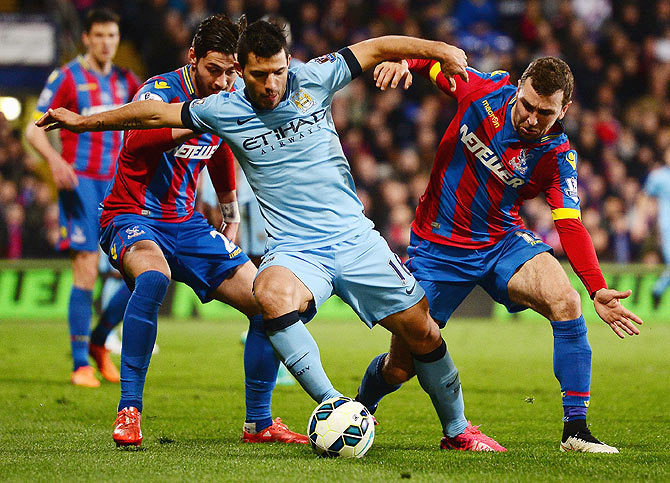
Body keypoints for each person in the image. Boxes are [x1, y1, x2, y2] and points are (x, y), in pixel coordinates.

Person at [37, 19, 509, 452]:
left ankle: (458, 430)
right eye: (259, 75)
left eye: (278, 72)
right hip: (286, 247)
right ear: (242, 71)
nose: (270, 85)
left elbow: (379, 46)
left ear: (288, 63)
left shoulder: (314, 77)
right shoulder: (220, 107)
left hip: (355, 239)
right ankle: (331, 406)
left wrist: (439, 50)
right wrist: (83, 121)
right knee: (268, 294)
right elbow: (150, 117)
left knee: (422, 331)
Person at [44, 14, 308, 448]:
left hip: (185, 222)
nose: (224, 82)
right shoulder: (161, 90)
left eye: (232, 72)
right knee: (153, 278)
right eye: (213, 70)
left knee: (268, 302)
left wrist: (229, 207)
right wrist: (203, 120)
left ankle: (258, 424)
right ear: (192, 59)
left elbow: (221, 148)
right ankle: (128, 411)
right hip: (130, 214)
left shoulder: (231, 96)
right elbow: (139, 140)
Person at [368, 56, 644, 453]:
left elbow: (569, 223)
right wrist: (404, 60)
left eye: (545, 113)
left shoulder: (557, 154)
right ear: (518, 88)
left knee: (566, 300)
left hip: (502, 241)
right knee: (400, 366)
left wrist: (597, 288)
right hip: (438, 248)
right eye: (527, 105)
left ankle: (576, 431)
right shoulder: (481, 91)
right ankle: (361, 406)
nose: (532, 118)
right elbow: (435, 63)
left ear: (563, 110)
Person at [25, 8, 140, 388]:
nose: (107, 42)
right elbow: (33, 129)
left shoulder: (128, 81)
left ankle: (99, 340)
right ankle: (80, 364)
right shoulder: (68, 77)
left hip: (121, 186)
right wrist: (55, 160)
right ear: (86, 39)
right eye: (100, 36)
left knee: (139, 271)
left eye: (113, 36)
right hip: (81, 183)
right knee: (87, 266)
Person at [644, 158, 670, 309]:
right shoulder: (658, 176)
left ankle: (657, 290)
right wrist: (643, 222)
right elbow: (646, 198)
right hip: (667, 227)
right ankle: (657, 290)